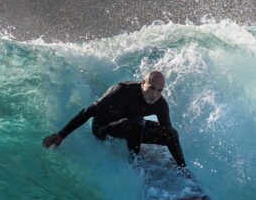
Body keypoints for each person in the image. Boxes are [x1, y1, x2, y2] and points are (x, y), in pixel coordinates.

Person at [41, 70, 187, 168]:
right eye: (151, 88)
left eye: (159, 90)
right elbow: (88, 111)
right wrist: (62, 135)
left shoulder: (160, 104)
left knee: (172, 133)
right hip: (103, 129)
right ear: (143, 83)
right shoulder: (122, 91)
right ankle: (134, 164)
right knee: (138, 122)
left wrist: (169, 142)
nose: (154, 94)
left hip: (131, 126)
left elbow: (165, 131)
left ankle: (183, 170)